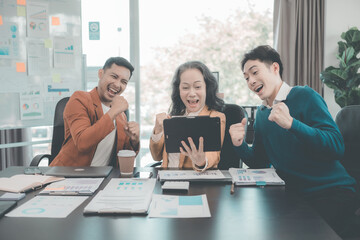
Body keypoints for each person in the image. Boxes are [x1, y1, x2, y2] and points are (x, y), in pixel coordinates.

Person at [229, 45, 360, 238]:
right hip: (294, 195)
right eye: (246, 77)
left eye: (255, 72)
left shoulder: (304, 96)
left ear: (275, 68)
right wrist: (239, 144)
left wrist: (292, 124)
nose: (251, 81)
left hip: (331, 193)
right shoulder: (263, 114)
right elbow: (259, 162)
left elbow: (336, 146)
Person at [50, 57, 140, 166]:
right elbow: (83, 143)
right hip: (69, 176)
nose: (117, 84)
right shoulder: (80, 99)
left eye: (123, 82)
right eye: (114, 76)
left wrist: (134, 140)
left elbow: (124, 156)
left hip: (104, 178)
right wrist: (113, 111)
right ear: (101, 74)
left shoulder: (121, 116)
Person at [149, 61, 226, 171]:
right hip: (166, 180)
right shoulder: (173, 116)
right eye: (185, 87)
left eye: (197, 87)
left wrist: (202, 161)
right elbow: (156, 156)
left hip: (195, 183)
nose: (191, 93)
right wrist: (158, 130)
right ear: (179, 90)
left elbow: (214, 154)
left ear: (207, 88)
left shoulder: (215, 117)